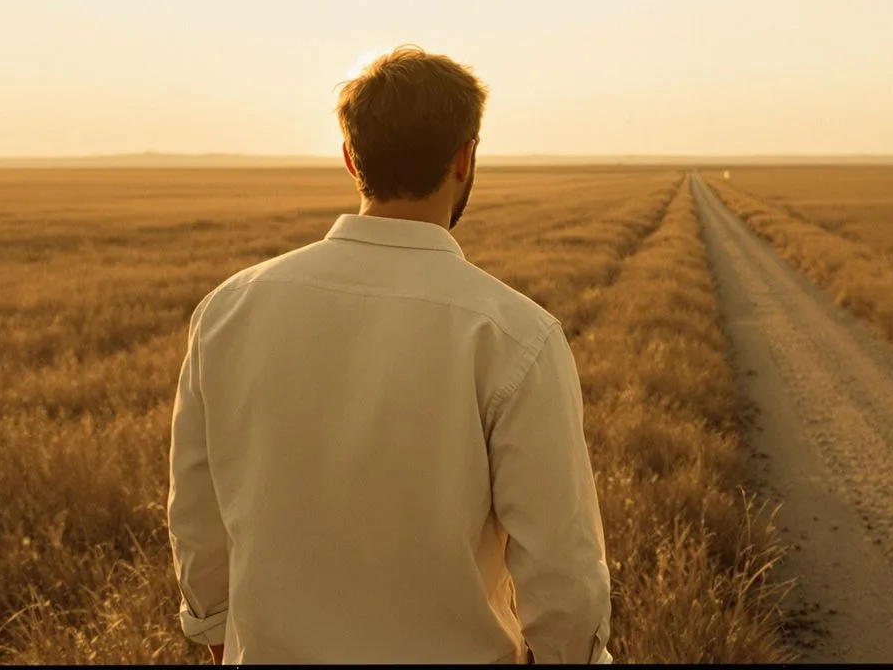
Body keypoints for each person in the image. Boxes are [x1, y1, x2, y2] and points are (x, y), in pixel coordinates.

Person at [166, 45, 613, 664]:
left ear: (352, 158)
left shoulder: (227, 312)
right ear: (464, 158)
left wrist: (223, 644)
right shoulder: (514, 335)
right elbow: (562, 572)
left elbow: (197, 521)